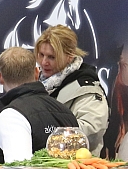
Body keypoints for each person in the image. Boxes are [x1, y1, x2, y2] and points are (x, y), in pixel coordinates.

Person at [34, 25, 109, 156]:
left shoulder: (87, 89)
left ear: (70, 56)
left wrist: (46, 132)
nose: (44, 62)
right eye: (41, 55)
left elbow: (92, 130)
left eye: (52, 57)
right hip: (41, 164)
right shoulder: (35, 83)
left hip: (76, 166)